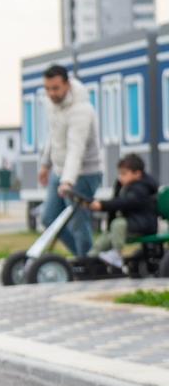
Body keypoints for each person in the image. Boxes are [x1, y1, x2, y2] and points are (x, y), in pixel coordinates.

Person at [37, 64, 102, 256]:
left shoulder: (81, 110)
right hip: (60, 171)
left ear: (67, 85)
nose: (51, 93)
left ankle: (88, 262)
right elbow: (54, 135)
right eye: (47, 88)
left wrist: (67, 181)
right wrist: (45, 164)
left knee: (77, 222)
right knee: (48, 218)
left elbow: (76, 148)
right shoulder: (53, 105)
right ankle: (85, 258)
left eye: (55, 88)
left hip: (83, 174)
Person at [88, 153, 160, 268]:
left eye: (124, 174)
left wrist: (102, 205)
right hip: (132, 223)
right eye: (120, 174)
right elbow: (116, 201)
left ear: (137, 174)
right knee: (105, 239)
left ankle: (117, 254)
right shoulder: (125, 187)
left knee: (118, 224)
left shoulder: (141, 188)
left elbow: (125, 202)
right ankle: (90, 260)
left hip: (143, 224)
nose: (120, 177)